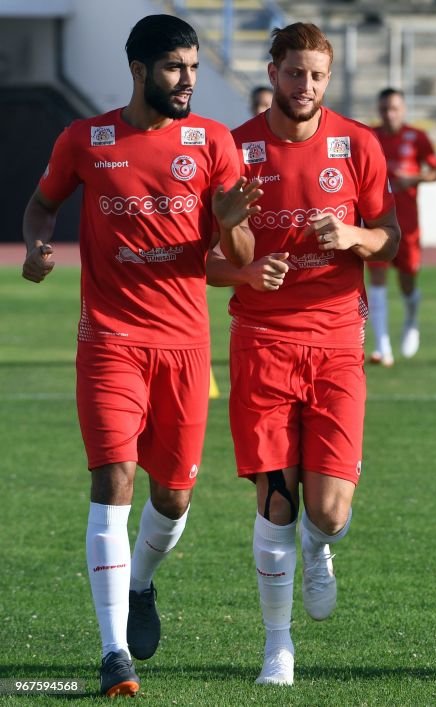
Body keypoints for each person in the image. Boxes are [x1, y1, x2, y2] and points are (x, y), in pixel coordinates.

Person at [20, 14, 259, 696]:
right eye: (174, 68)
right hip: (109, 339)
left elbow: (237, 258)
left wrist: (234, 224)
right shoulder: (86, 139)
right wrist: (37, 247)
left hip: (185, 347)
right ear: (139, 70)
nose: (187, 80)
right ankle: (113, 652)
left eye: (191, 67)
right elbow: (41, 206)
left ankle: (142, 582)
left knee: (175, 496)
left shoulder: (213, 143)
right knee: (114, 477)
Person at [207, 23, 399, 686]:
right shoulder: (233, 151)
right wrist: (245, 271)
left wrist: (351, 234)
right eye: (294, 74)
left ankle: (322, 548)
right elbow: (202, 257)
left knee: (327, 512)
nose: (306, 87)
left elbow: (393, 240)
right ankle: (277, 647)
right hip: (261, 341)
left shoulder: (358, 145)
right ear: (272, 71)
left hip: (339, 341)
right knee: (276, 501)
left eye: (317, 76)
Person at [370, 87, 436, 365]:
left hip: (407, 223)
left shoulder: (417, 137)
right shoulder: (370, 137)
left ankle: (412, 317)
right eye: (385, 109)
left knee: (407, 279)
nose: (389, 114)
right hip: (376, 221)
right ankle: (382, 347)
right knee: (376, 279)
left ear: (403, 110)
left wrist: (415, 178)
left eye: (394, 109)